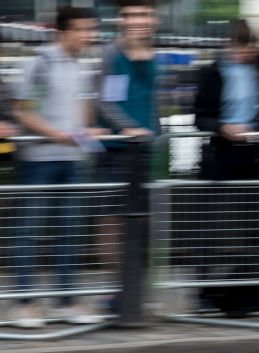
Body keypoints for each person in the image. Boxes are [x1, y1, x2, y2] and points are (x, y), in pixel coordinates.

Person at [11, 5, 106, 329]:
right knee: (29, 233)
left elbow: (81, 108)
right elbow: (23, 111)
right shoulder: (39, 64)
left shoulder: (83, 65)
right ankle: (24, 304)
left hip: (73, 160)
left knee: (70, 233)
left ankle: (67, 300)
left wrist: (86, 130)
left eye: (90, 29)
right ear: (62, 31)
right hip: (39, 160)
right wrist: (59, 136)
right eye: (82, 29)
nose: (88, 35)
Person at [193, 19, 259, 315]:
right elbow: (200, 116)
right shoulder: (213, 72)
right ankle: (206, 292)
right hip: (222, 154)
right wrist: (223, 127)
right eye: (241, 48)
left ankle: (254, 290)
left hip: (256, 154)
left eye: (251, 48)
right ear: (229, 45)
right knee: (210, 226)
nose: (247, 54)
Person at [96, 0, 161, 311]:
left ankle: (135, 290)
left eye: (145, 14)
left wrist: (156, 135)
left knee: (144, 223)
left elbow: (154, 103)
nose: (140, 20)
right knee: (114, 223)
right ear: (121, 20)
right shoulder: (113, 54)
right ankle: (117, 290)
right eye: (133, 14)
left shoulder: (154, 56)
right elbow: (106, 103)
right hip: (118, 152)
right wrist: (131, 129)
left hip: (146, 152)